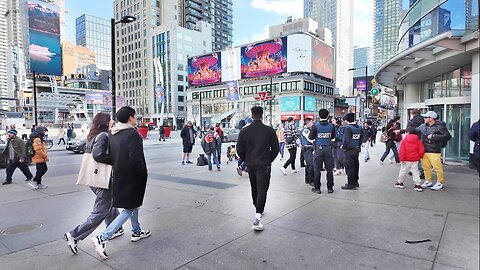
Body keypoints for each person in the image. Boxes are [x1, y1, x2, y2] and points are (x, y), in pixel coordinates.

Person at [91, 106, 150, 260]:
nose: (136, 118)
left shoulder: (112, 133)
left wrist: (117, 162)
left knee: (132, 204)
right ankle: (103, 237)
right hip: (132, 176)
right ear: (130, 117)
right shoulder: (134, 134)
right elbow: (137, 159)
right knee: (130, 208)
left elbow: (107, 155)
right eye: (135, 116)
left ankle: (136, 231)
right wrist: (143, 175)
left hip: (119, 175)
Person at [64, 113, 123, 254]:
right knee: (100, 211)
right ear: (105, 122)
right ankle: (74, 235)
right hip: (103, 179)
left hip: (95, 178)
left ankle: (115, 228)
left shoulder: (92, 135)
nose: (113, 121)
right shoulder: (103, 135)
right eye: (110, 120)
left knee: (110, 205)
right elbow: (98, 155)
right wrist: (116, 159)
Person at [237, 106, 279, 231]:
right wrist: (268, 160)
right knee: (262, 189)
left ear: (252, 115)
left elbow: (239, 150)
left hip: (251, 164)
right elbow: (276, 149)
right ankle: (257, 217)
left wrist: (247, 159)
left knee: (254, 187)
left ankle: (257, 207)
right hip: (264, 164)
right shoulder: (269, 131)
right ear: (262, 115)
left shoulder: (244, 131)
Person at [417, 111, 452, 190]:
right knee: (425, 167)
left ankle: (440, 183)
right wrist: (401, 131)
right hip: (424, 150)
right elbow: (415, 130)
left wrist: (434, 136)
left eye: (426, 117)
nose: (424, 118)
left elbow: (448, 136)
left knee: (437, 168)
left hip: (434, 150)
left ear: (431, 118)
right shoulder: (423, 126)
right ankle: (428, 181)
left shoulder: (440, 126)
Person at [308, 109, 336, 194]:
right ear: (327, 116)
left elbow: (310, 138)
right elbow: (333, 138)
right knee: (329, 170)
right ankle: (330, 188)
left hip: (318, 150)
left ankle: (317, 188)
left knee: (317, 169)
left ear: (319, 116)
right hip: (328, 149)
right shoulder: (332, 126)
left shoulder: (315, 126)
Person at [394, 127, 425, 192]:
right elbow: (421, 150)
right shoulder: (418, 141)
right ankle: (418, 185)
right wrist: (419, 156)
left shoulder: (404, 141)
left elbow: (402, 151)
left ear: (408, 132)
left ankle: (400, 182)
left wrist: (401, 159)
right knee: (415, 171)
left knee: (403, 170)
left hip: (406, 159)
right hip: (415, 159)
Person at [340, 113, 362, 190]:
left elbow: (346, 140)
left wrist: (343, 147)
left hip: (349, 150)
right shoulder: (359, 128)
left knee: (349, 166)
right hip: (356, 149)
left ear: (346, 120)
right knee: (356, 165)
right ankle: (356, 181)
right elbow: (361, 139)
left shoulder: (348, 129)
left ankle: (350, 183)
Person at [300, 117, 315, 185]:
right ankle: (310, 179)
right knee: (310, 164)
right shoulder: (305, 130)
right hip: (307, 148)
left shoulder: (308, 129)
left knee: (309, 164)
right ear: (308, 122)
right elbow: (310, 138)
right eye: (311, 122)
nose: (312, 123)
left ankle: (308, 179)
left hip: (308, 148)